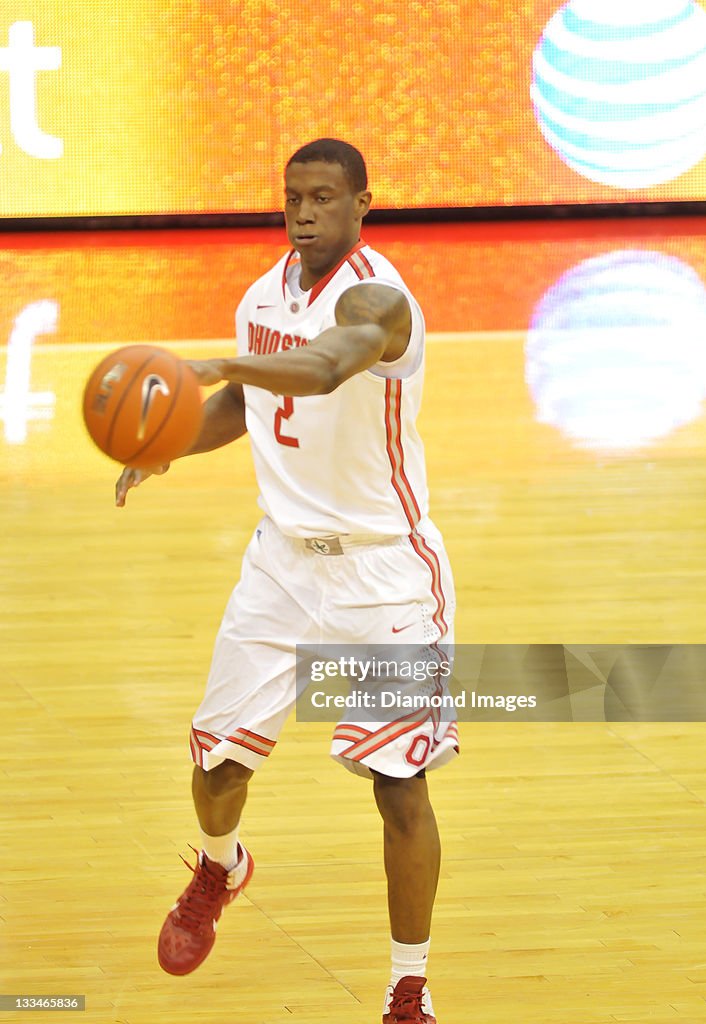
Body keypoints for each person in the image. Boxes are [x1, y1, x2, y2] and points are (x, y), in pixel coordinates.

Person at [115, 139, 457, 1024]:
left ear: (362, 205)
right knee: (217, 764)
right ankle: (221, 871)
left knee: (399, 788)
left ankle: (407, 990)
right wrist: (166, 440)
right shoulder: (262, 296)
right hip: (281, 565)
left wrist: (221, 367)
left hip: (384, 574)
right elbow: (251, 407)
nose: (304, 212)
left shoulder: (381, 301)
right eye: (292, 197)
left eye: (323, 198)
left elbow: (320, 367)